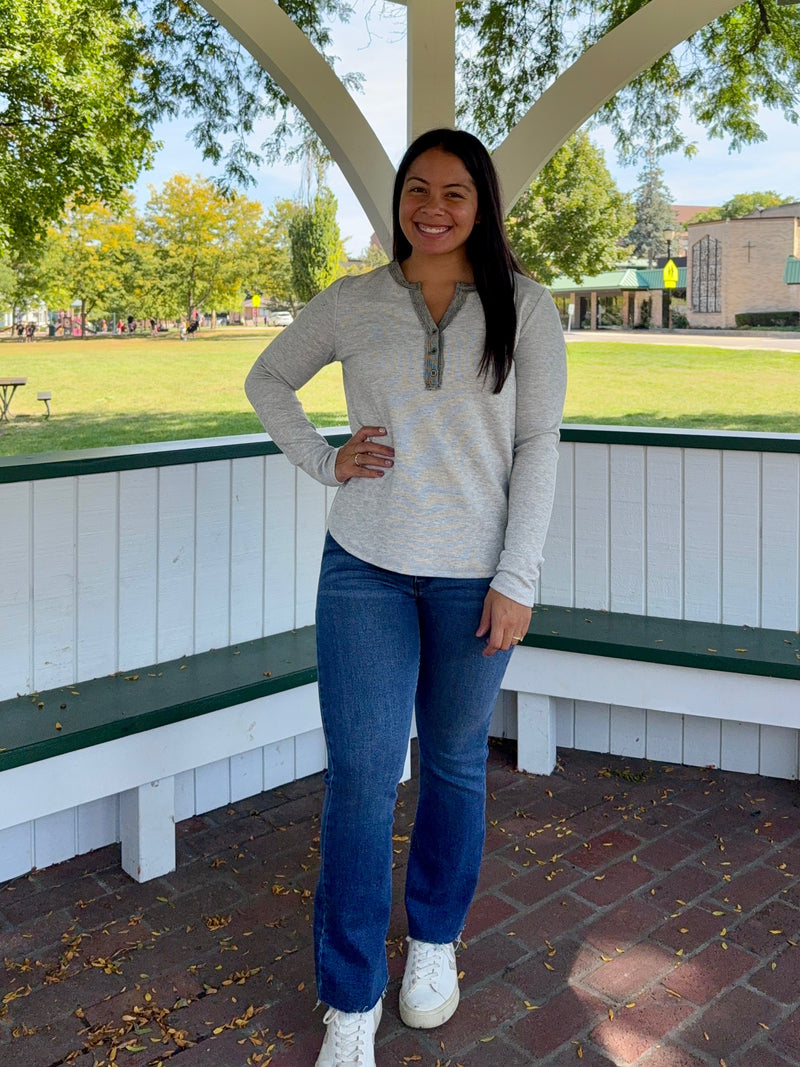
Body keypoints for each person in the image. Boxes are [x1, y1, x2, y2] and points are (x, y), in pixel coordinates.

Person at [245, 127, 567, 1067]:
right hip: (365, 569)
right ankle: (350, 998)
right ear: (397, 203)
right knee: (360, 779)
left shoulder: (528, 308)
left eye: (455, 192)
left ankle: (434, 940)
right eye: (416, 189)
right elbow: (268, 379)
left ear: (483, 201)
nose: (433, 207)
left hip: (476, 578)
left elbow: (538, 447)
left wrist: (518, 578)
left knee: (457, 765)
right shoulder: (353, 303)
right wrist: (323, 459)